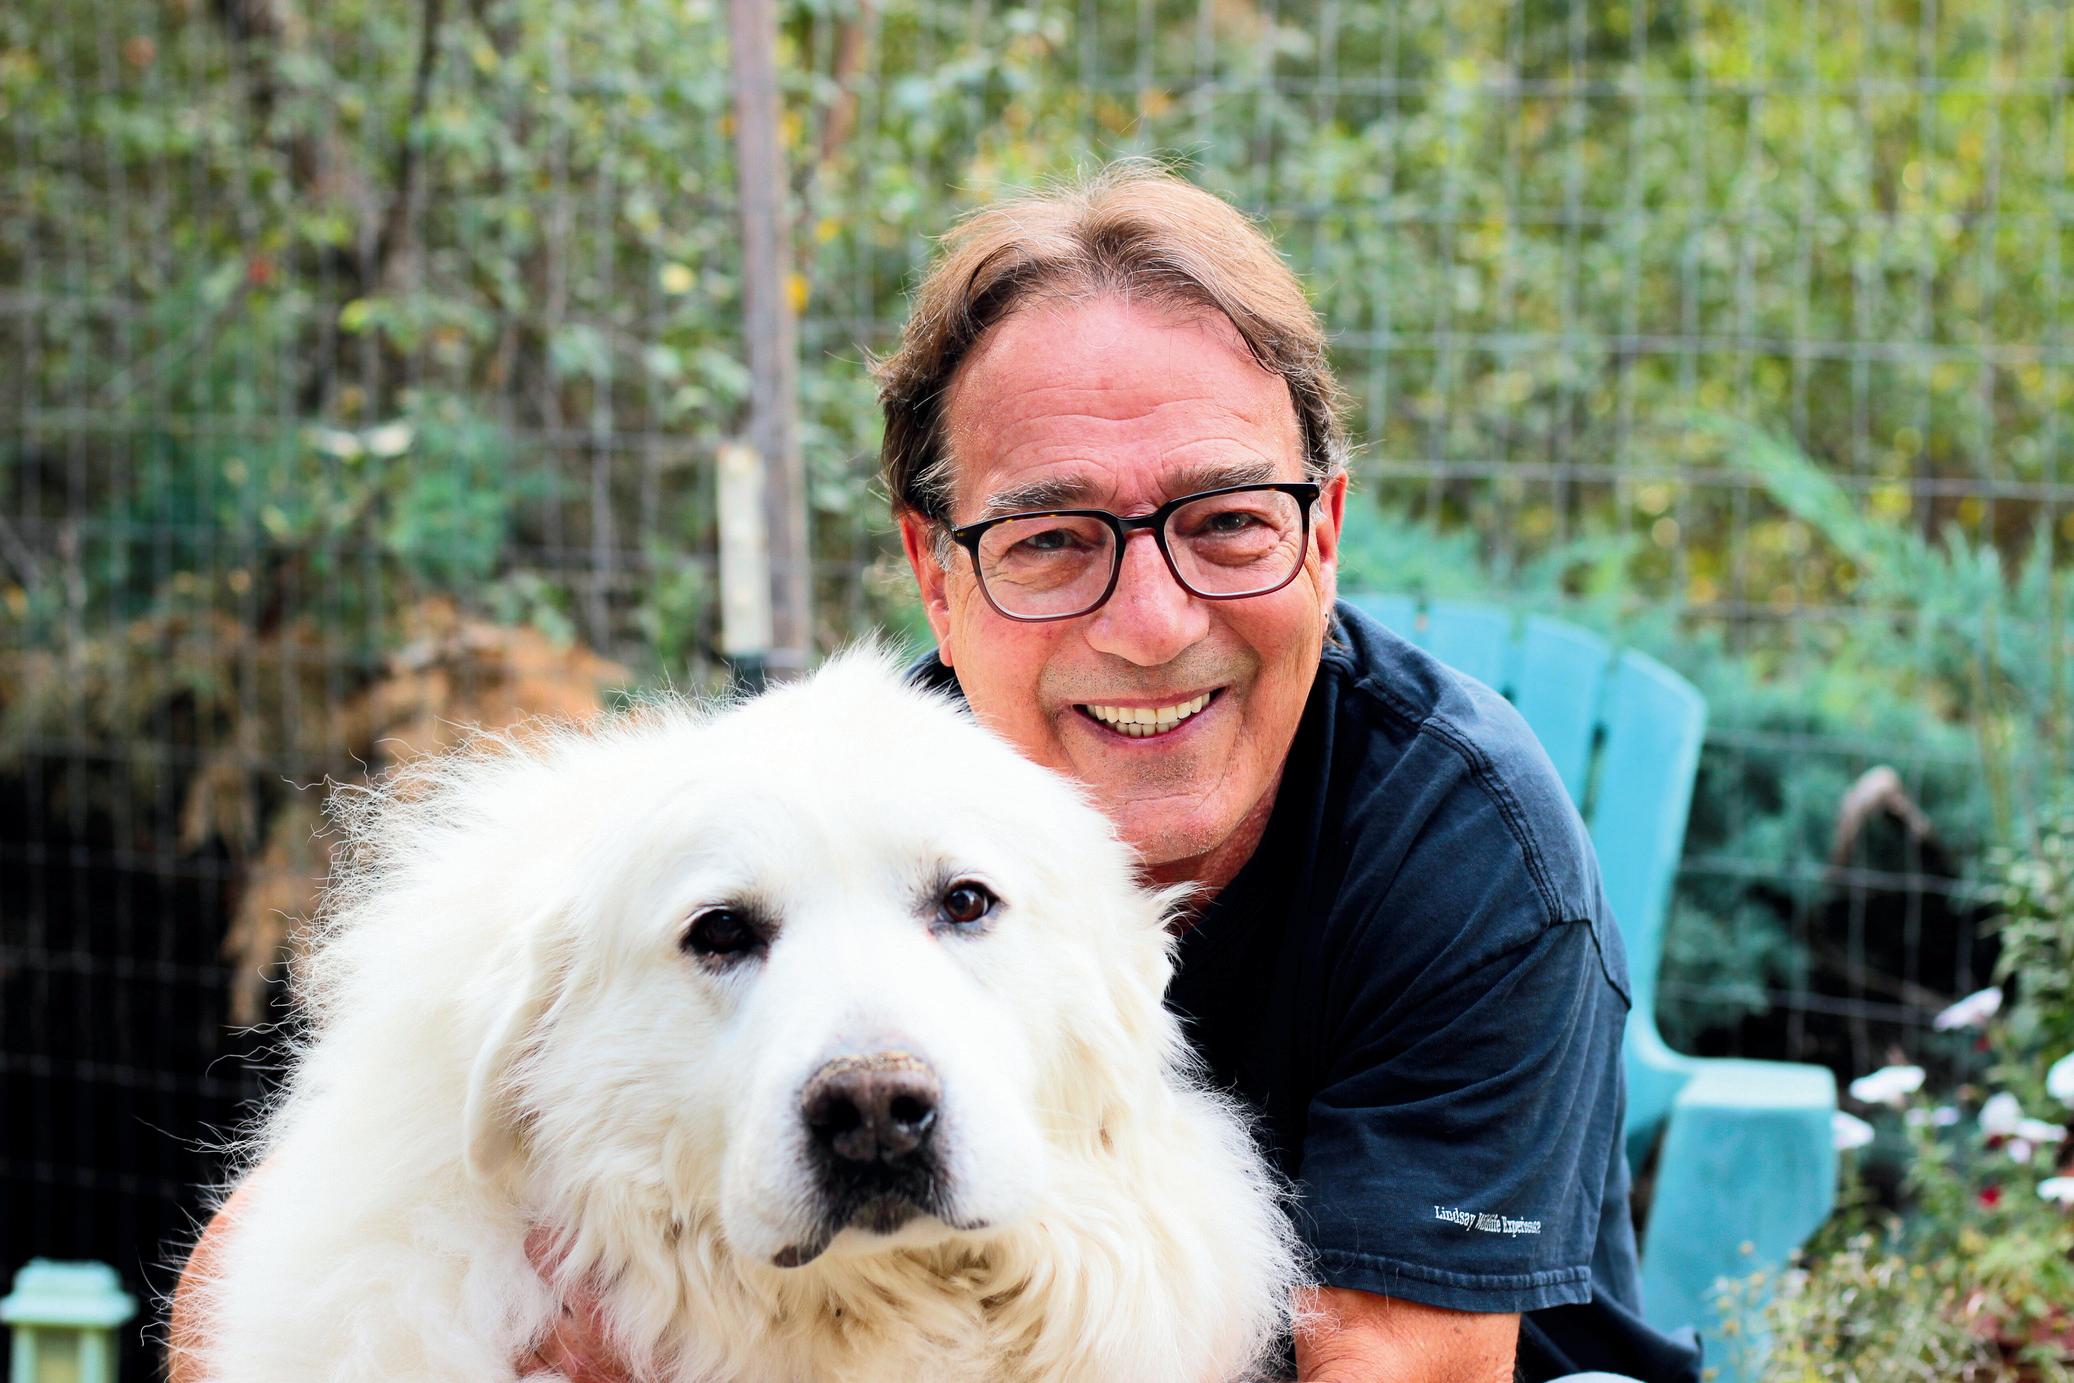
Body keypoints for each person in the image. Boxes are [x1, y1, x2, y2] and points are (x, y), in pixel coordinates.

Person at [172, 163, 1705, 1383]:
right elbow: (255, 1284)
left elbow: (1393, 1370)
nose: (1151, 622)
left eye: (1227, 521)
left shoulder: (1460, 839)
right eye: (1052, 540)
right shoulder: (856, 790)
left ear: (1323, 533)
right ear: (937, 577)